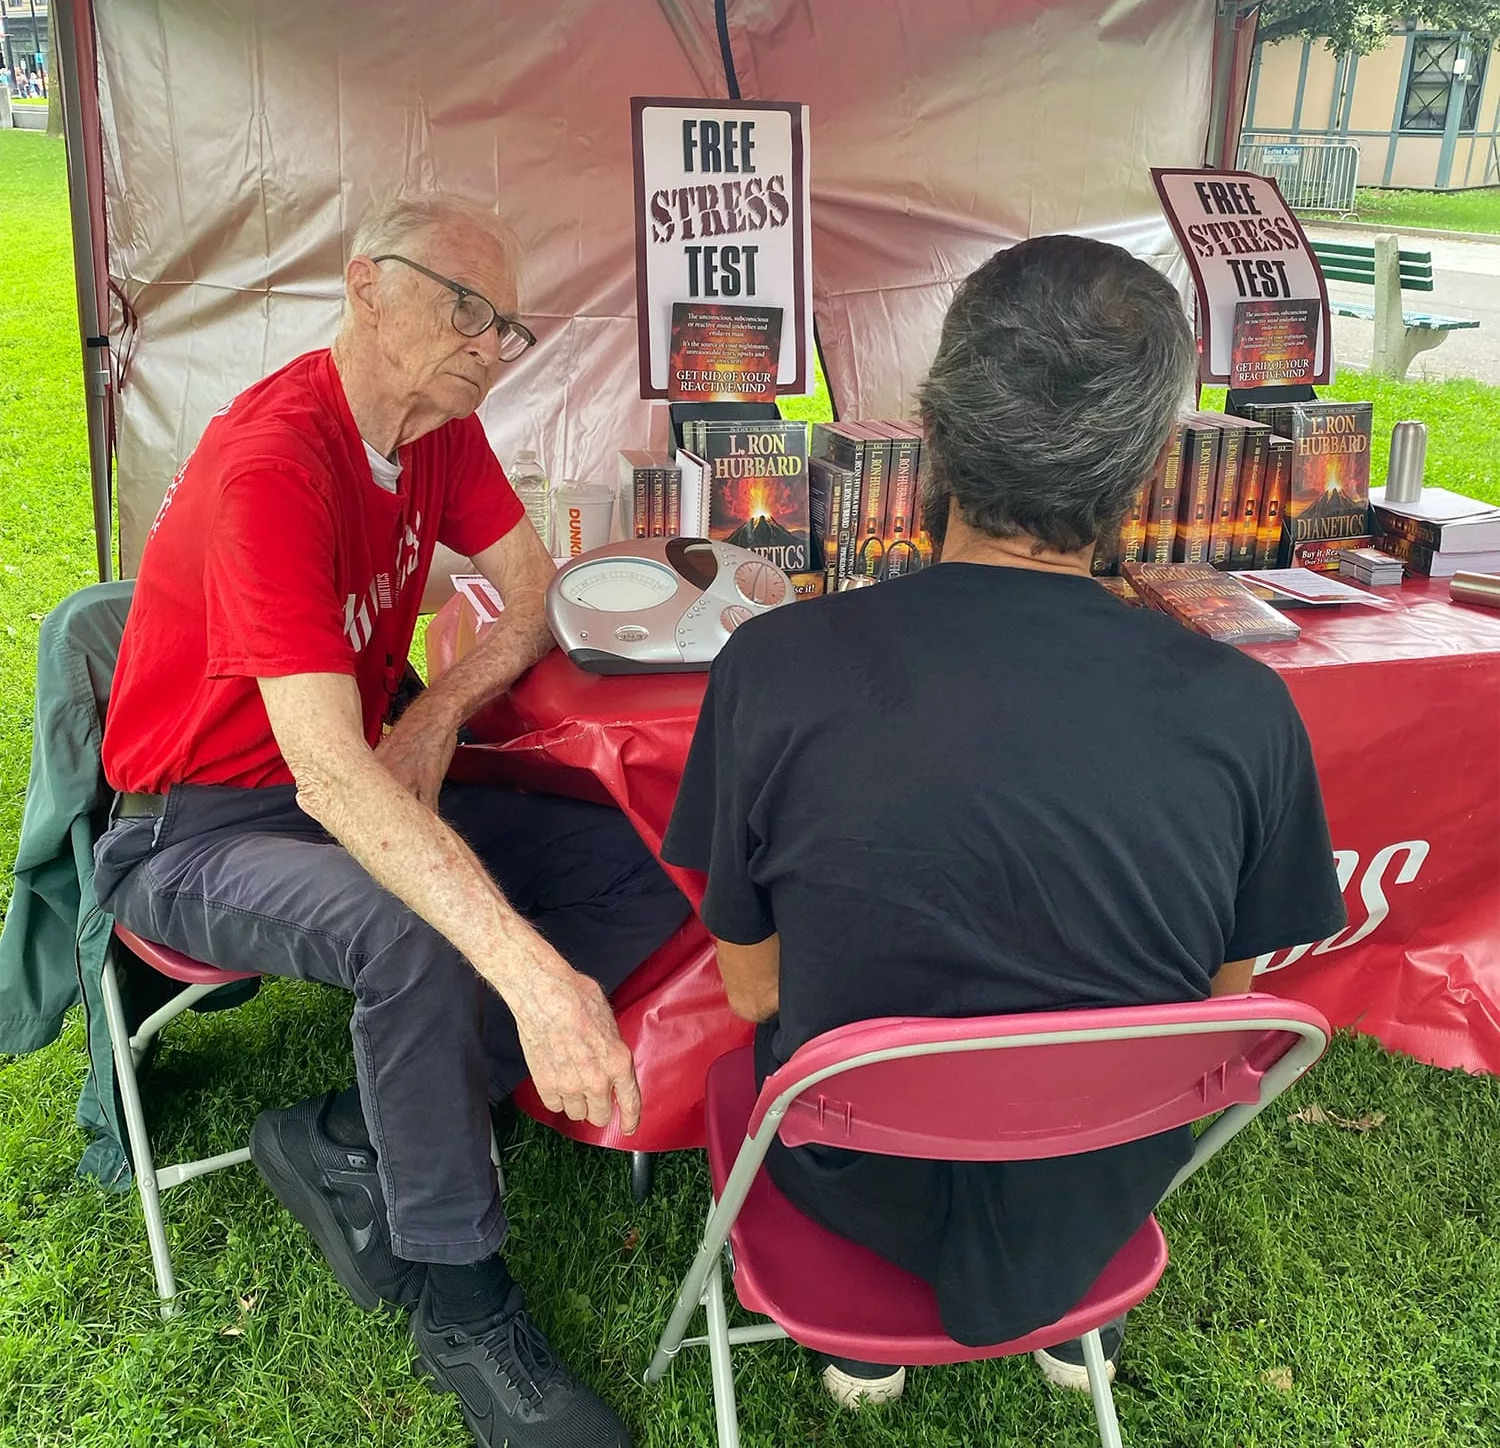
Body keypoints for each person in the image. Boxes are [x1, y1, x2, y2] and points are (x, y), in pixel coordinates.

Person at [662, 234, 1348, 1409]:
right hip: (1097, 1187)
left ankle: (866, 1337)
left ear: (932, 432)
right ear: (1142, 475)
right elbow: (1215, 1009)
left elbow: (754, 992)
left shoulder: (774, 667)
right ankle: (1055, 1300)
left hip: (853, 1172)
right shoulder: (1248, 707)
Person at [94, 192, 689, 1448]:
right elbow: (320, 773)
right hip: (193, 825)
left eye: (507, 325)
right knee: (418, 933)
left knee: (636, 869)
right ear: (364, 285)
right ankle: (463, 1306)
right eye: (464, 306)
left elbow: (535, 594)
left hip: (361, 762)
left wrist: (432, 720)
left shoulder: (437, 431)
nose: (489, 341)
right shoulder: (274, 463)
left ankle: (352, 1134)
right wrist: (532, 977)